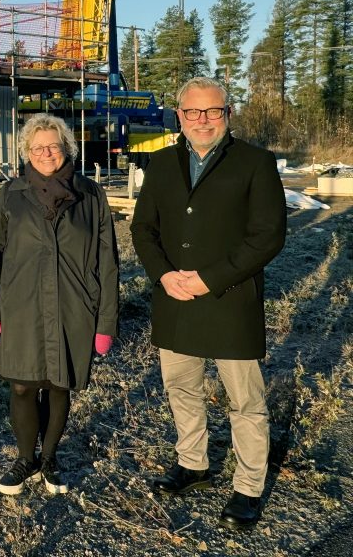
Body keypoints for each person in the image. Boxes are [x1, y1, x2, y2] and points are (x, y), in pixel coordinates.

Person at [131, 76, 286, 530]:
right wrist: (163, 275)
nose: (202, 120)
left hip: (229, 300)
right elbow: (144, 230)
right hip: (175, 298)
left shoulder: (255, 163)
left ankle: (248, 487)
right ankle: (193, 462)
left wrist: (209, 279)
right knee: (181, 389)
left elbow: (267, 236)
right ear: (179, 116)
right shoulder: (160, 164)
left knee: (246, 402)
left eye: (212, 111)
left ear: (227, 114)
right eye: (192, 112)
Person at [0, 113, 118, 497]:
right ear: (26, 153)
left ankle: (50, 457)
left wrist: (106, 322)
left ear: (66, 149)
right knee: (22, 385)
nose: (46, 153)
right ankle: (26, 458)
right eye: (37, 147)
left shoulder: (91, 195)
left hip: (74, 307)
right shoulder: (11, 194)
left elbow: (108, 262)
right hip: (20, 307)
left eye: (53, 146)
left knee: (60, 384)